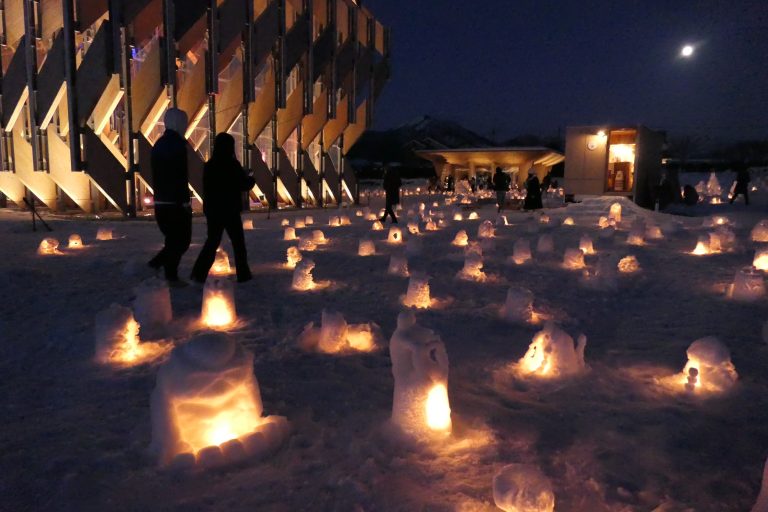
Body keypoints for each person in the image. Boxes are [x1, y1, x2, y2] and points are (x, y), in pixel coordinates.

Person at [190, 133, 257, 283]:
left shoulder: (210, 165)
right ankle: (243, 273)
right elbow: (243, 184)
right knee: (238, 243)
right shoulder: (232, 164)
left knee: (212, 242)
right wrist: (251, 179)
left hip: (214, 210)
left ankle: (198, 273)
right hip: (230, 209)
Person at [148, 108, 192, 287]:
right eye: (183, 122)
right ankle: (160, 268)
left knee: (173, 240)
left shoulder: (160, 144)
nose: (185, 126)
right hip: (175, 202)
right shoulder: (178, 146)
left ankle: (165, 271)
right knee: (181, 241)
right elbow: (179, 176)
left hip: (162, 201)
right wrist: (184, 201)